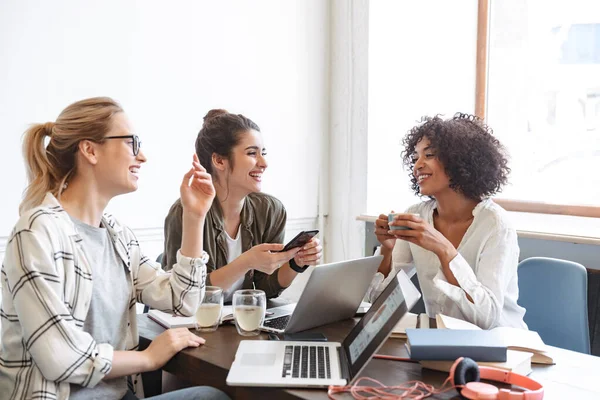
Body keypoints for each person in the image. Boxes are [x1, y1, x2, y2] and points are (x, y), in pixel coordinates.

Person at [0, 97, 229, 400]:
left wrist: (194, 217)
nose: (142, 156)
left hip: (120, 396)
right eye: (132, 143)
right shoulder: (36, 232)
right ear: (90, 150)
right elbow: (61, 358)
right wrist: (149, 358)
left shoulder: (117, 236)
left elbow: (183, 302)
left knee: (212, 398)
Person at [368, 113, 527, 330]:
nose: (417, 166)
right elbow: (378, 303)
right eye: (415, 158)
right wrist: (387, 250)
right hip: (442, 344)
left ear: (459, 160)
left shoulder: (496, 225)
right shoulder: (417, 216)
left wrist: (444, 249)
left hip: (500, 349)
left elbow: (487, 318)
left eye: (429, 155)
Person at [162, 109, 322, 302]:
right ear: (219, 160)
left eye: (263, 153)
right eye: (252, 153)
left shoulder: (271, 210)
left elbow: (265, 288)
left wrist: (296, 263)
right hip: (196, 325)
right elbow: (183, 295)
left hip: (241, 322)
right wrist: (246, 262)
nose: (264, 163)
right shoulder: (186, 212)